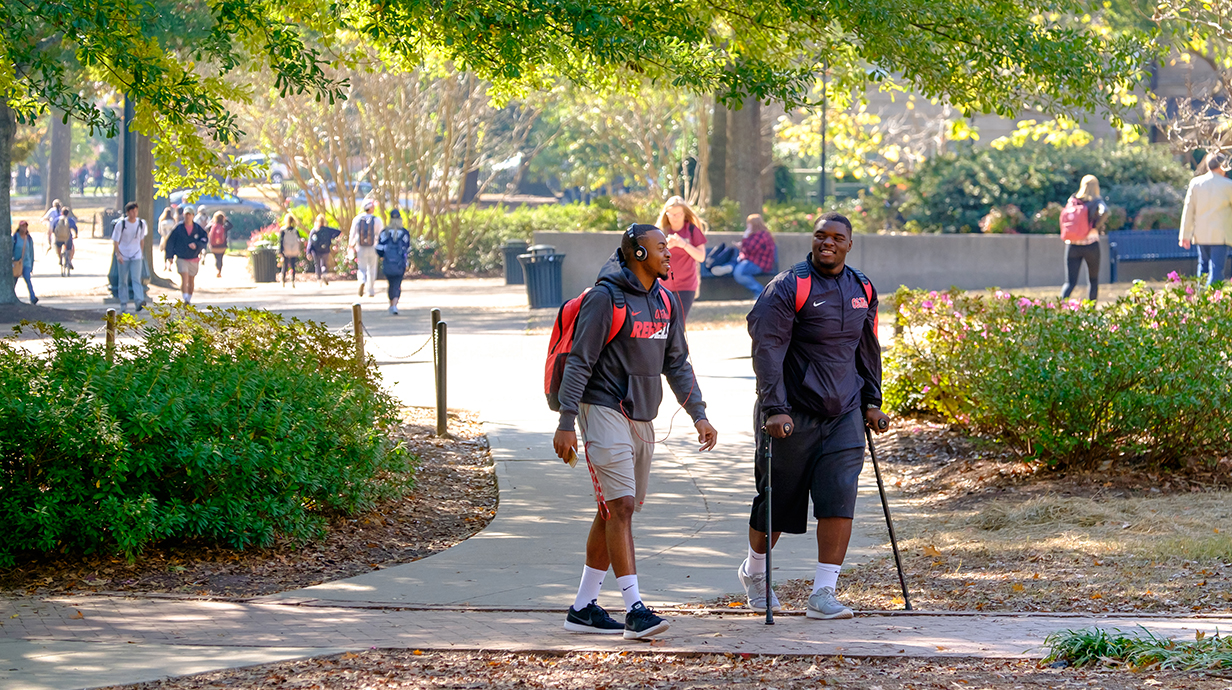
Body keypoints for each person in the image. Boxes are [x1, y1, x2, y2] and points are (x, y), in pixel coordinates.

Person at [553, 224, 718, 640]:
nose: (669, 253)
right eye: (661, 248)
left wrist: (698, 413)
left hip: (642, 416)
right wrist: (566, 421)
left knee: (613, 509)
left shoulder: (666, 301)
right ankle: (635, 609)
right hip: (602, 406)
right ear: (637, 254)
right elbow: (578, 362)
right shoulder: (603, 299)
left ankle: (583, 607)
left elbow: (678, 362)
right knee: (621, 505)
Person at [739, 211, 890, 621]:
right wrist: (774, 407)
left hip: (844, 413)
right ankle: (754, 572)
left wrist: (872, 402)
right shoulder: (790, 285)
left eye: (837, 237)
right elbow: (766, 348)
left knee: (839, 498)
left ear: (849, 244)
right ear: (813, 240)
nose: (828, 243)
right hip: (791, 413)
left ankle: (824, 593)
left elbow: (867, 348)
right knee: (779, 505)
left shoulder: (861, 288)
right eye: (820, 235)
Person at [1180, 152, 1232, 285]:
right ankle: (1213, 301)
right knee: (1217, 270)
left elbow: (1188, 209)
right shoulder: (1228, 185)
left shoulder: (1196, 183)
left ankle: (1200, 300)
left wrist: (1185, 235)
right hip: (1221, 235)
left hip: (1201, 234)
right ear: (1223, 166)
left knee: (1203, 267)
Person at [655, 196, 707, 320]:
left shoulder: (692, 230)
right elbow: (651, 259)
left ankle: (679, 340)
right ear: (666, 214)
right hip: (663, 285)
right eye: (672, 214)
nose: (675, 218)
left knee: (677, 324)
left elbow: (701, 257)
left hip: (686, 285)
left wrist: (684, 244)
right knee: (663, 324)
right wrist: (665, 247)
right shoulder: (660, 231)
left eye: (678, 214)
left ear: (684, 214)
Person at [1060, 175, 1108, 301]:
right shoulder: (1096, 201)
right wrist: (1095, 226)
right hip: (1091, 245)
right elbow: (1105, 211)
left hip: (1073, 245)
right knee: (1093, 281)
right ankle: (1091, 312)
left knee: (1070, 283)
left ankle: (1058, 309)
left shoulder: (1073, 200)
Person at [165, 204, 209, 303]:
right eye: (186, 215)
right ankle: (185, 299)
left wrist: (197, 245)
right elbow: (170, 241)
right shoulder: (178, 228)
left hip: (193, 257)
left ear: (193, 215)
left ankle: (189, 297)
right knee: (184, 277)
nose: (187, 217)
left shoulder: (197, 228)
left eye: (189, 214)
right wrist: (169, 256)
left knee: (191, 280)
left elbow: (204, 239)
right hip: (181, 257)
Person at [112, 202, 148, 312]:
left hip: (136, 255)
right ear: (127, 212)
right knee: (123, 280)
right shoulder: (121, 224)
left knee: (136, 279)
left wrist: (141, 253)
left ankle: (139, 301)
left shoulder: (141, 224)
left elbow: (141, 240)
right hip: (123, 254)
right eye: (131, 211)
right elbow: (116, 241)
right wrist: (118, 255)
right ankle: (123, 303)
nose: (134, 213)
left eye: (135, 211)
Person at [376, 208, 412, 314]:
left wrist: (382, 256)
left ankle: (391, 303)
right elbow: (408, 249)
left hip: (388, 262)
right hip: (400, 263)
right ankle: (395, 304)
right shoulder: (404, 233)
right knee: (397, 283)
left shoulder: (385, 232)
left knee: (390, 283)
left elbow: (379, 248)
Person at [732, 214, 777, 297]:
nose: (747, 226)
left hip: (759, 264)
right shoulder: (755, 235)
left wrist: (745, 237)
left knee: (739, 273)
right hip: (751, 260)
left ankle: (760, 292)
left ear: (754, 224)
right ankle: (728, 267)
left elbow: (750, 249)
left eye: (749, 223)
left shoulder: (762, 235)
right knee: (737, 266)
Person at [348, 199, 384, 297]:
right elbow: (382, 235)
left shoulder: (357, 219)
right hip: (373, 247)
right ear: (371, 208)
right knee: (372, 269)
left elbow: (352, 234)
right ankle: (370, 291)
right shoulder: (377, 220)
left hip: (360, 247)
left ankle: (361, 280)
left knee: (361, 268)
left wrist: (350, 245)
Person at [308, 214, 341, 285]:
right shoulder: (327, 229)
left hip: (316, 250)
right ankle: (325, 273)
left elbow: (310, 242)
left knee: (317, 264)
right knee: (324, 263)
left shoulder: (314, 230)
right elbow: (338, 232)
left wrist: (308, 252)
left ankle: (319, 279)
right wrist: (331, 237)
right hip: (325, 249)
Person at [12, 220, 37, 305]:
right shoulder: (15, 238)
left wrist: (31, 265)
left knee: (28, 279)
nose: (24, 228)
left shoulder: (29, 239)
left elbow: (31, 252)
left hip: (26, 263)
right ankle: (12, 295)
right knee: (14, 281)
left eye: (25, 226)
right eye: (22, 226)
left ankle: (33, 297)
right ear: (19, 227)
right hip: (16, 264)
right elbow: (11, 250)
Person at [278, 213, 303, 287]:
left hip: (286, 249)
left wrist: (280, 251)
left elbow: (281, 241)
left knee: (285, 265)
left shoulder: (283, 230)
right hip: (294, 249)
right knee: (293, 265)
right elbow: (299, 241)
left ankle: (283, 280)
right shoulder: (295, 231)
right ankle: (293, 280)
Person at [208, 211, 232, 277]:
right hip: (222, 246)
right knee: (220, 258)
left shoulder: (212, 226)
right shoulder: (224, 227)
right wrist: (226, 219)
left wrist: (212, 221)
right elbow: (231, 225)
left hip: (214, 246)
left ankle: (217, 269)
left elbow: (206, 228)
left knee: (216, 258)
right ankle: (219, 270)